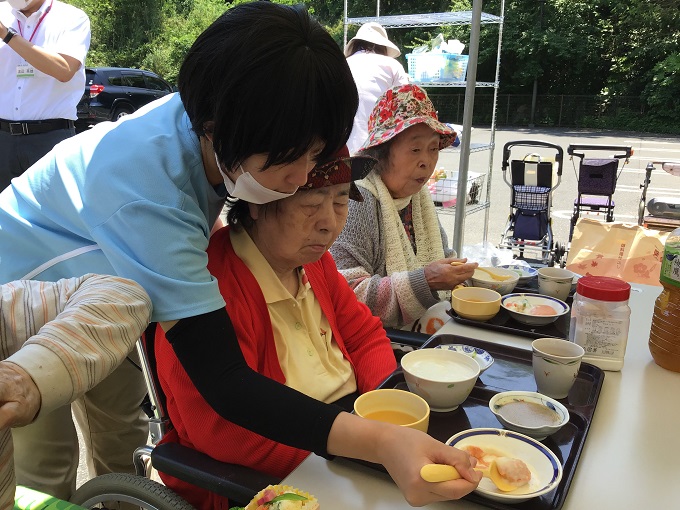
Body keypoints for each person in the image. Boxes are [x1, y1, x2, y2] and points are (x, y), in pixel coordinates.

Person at [0, 3, 479, 506]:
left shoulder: (215, 132)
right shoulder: (151, 195)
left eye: (314, 155)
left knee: (118, 424)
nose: (301, 179)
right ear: (217, 127)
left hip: (117, 284)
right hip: (28, 288)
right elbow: (224, 382)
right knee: (45, 455)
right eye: (290, 160)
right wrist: (379, 440)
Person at [154, 148, 399, 509]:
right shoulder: (205, 290)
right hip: (280, 470)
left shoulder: (316, 262)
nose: (329, 223)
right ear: (258, 202)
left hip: (354, 434)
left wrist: (384, 415)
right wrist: (354, 452)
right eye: (311, 203)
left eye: (341, 201)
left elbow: (365, 337)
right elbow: (223, 432)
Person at [330, 84, 479, 333]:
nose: (427, 162)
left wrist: (466, 277)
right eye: (415, 149)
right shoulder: (358, 201)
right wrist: (426, 281)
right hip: (379, 342)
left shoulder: (417, 199)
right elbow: (347, 292)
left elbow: (444, 257)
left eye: (433, 149)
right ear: (381, 153)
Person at [0, 274, 152, 510]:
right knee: (44, 469)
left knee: (119, 443)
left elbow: (120, 293)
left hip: (82, 309)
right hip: (43, 297)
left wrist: (23, 377)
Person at [0, 0, 91, 191]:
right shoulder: (2, 13)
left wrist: (7, 35)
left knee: (51, 216)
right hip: (3, 138)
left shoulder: (71, 18)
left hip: (50, 137)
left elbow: (64, 70)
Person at [344, 22, 410, 155]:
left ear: (356, 44)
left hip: (342, 145)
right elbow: (406, 107)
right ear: (383, 46)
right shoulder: (393, 65)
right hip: (378, 146)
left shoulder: (343, 64)